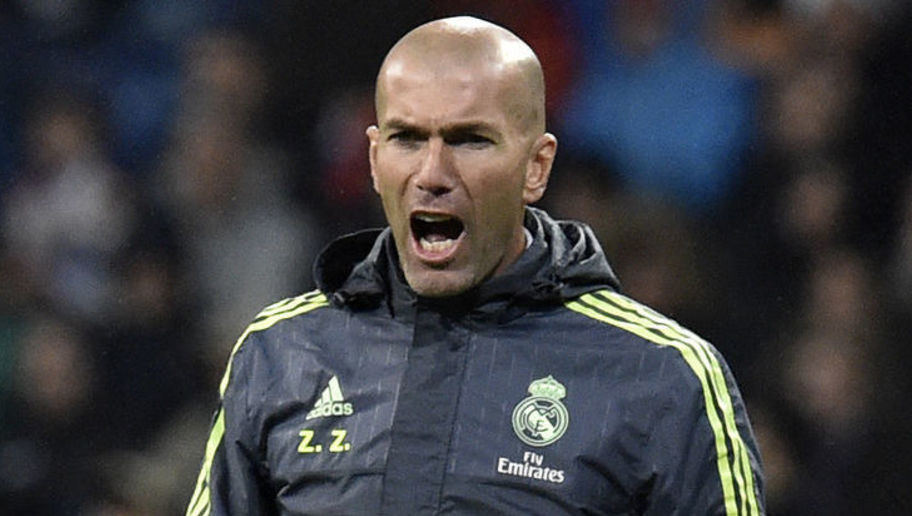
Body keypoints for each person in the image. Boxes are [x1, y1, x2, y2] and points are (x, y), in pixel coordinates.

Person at [186, 16, 765, 515]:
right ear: (373, 158)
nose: (433, 173)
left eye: (470, 140)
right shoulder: (280, 354)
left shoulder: (663, 376)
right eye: (407, 139)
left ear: (536, 167)